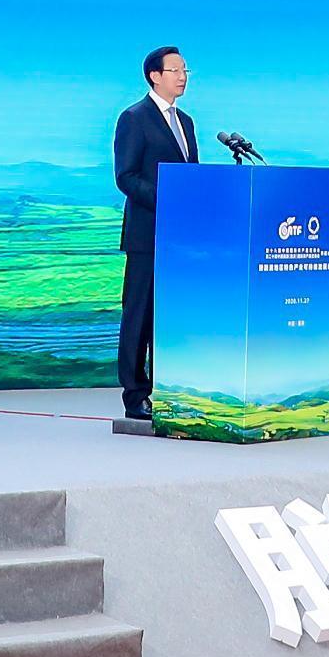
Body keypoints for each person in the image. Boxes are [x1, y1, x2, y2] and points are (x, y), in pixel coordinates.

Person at [111, 45, 195, 422]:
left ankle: (168, 390)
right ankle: (135, 395)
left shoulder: (186, 122)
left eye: (185, 70)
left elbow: (191, 175)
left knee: (171, 316)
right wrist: (169, 199)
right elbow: (126, 176)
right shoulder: (134, 118)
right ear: (154, 76)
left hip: (180, 237)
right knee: (139, 316)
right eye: (175, 70)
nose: (183, 76)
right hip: (147, 236)